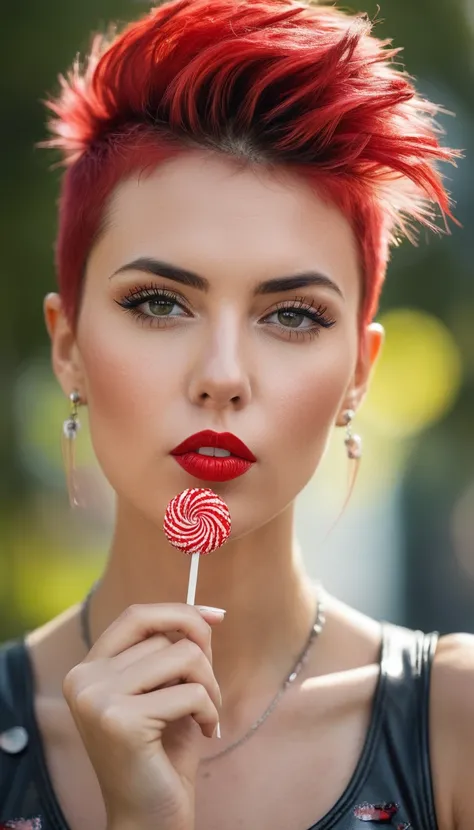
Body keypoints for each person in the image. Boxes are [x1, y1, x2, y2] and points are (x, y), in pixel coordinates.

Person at [0, 0, 472, 827]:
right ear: (68, 346)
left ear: (359, 374)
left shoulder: (454, 728)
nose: (222, 377)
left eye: (292, 315)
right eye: (158, 302)